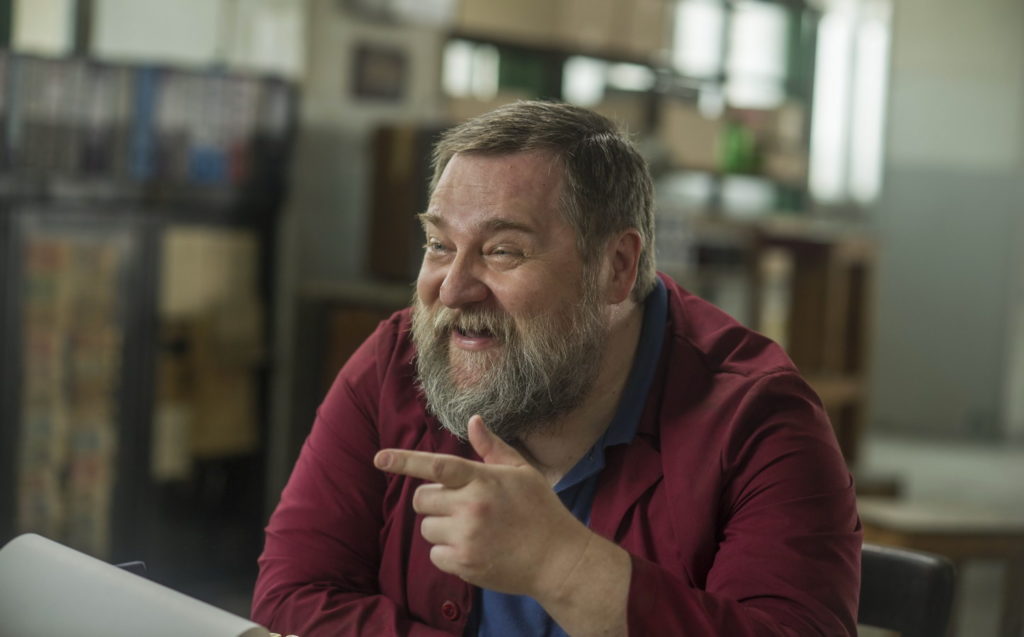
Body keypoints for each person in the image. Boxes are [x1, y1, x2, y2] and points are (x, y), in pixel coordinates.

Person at [252, 101, 861, 636]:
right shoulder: (399, 361)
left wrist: (560, 565)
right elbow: (290, 598)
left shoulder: (759, 421)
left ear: (616, 267)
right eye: (439, 245)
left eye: (503, 251)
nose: (454, 289)